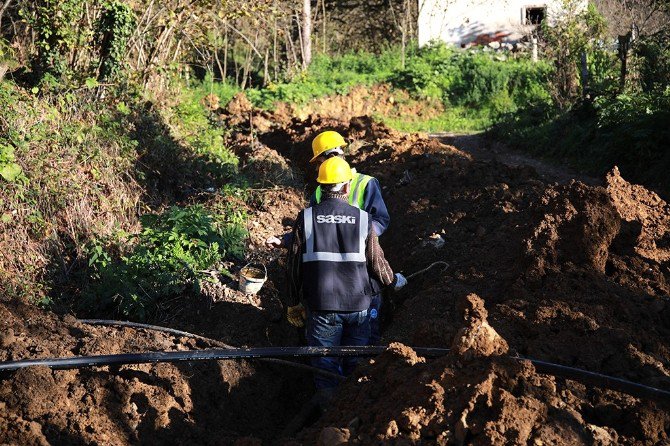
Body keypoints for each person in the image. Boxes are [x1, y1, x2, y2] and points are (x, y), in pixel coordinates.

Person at [284, 157, 407, 405]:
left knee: (325, 366)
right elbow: (376, 262)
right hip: (359, 306)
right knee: (356, 363)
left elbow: (294, 267)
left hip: (321, 306)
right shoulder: (363, 219)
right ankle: (354, 410)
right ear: (347, 188)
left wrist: (293, 301)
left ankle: (328, 416)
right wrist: (393, 282)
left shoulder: (306, 218)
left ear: (321, 187)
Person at [266, 130, 391, 343]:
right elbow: (309, 228)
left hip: (359, 267)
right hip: (335, 273)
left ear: (330, 155)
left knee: (365, 335)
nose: (317, 166)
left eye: (319, 161)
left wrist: (356, 236)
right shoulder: (319, 191)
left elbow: (380, 220)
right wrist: (285, 240)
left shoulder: (366, 183)